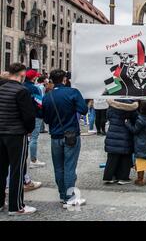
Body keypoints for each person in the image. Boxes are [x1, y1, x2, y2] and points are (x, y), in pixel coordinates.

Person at [42, 69, 88, 208]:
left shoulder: (47, 96)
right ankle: (70, 197)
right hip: (71, 134)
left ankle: (62, 195)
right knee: (69, 166)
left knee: (58, 167)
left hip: (55, 135)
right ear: (64, 79)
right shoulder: (72, 92)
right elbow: (84, 109)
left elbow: (47, 119)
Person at [0, 63, 37, 215]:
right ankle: (16, 207)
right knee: (17, 170)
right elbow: (28, 116)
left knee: (1, 169)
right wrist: (29, 130)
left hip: (0, 132)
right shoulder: (22, 90)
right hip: (16, 134)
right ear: (22, 75)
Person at [103, 99, 138, 185]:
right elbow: (135, 119)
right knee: (125, 157)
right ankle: (123, 178)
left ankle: (109, 177)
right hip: (125, 133)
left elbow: (108, 116)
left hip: (113, 132)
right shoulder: (131, 106)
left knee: (112, 157)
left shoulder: (113, 104)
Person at [24, 69, 45, 168]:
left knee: (26, 138)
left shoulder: (22, 86)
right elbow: (40, 103)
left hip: (24, 116)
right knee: (34, 138)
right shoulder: (34, 88)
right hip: (35, 115)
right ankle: (33, 160)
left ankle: (24, 159)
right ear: (33, 78)